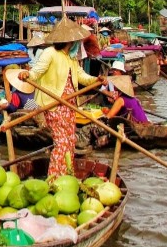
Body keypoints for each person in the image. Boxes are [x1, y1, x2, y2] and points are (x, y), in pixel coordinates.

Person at [19, 18, 105, 177]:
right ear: (69, 40)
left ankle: (66, 175)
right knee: (61, 143)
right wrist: (27, 74)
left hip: (69, 106)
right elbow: (36, 72)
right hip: (54, 104)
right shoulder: (50, 53)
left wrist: (96, 80)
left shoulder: (71, 58)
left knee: (71, 141)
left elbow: (81, 76)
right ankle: (54, 178)